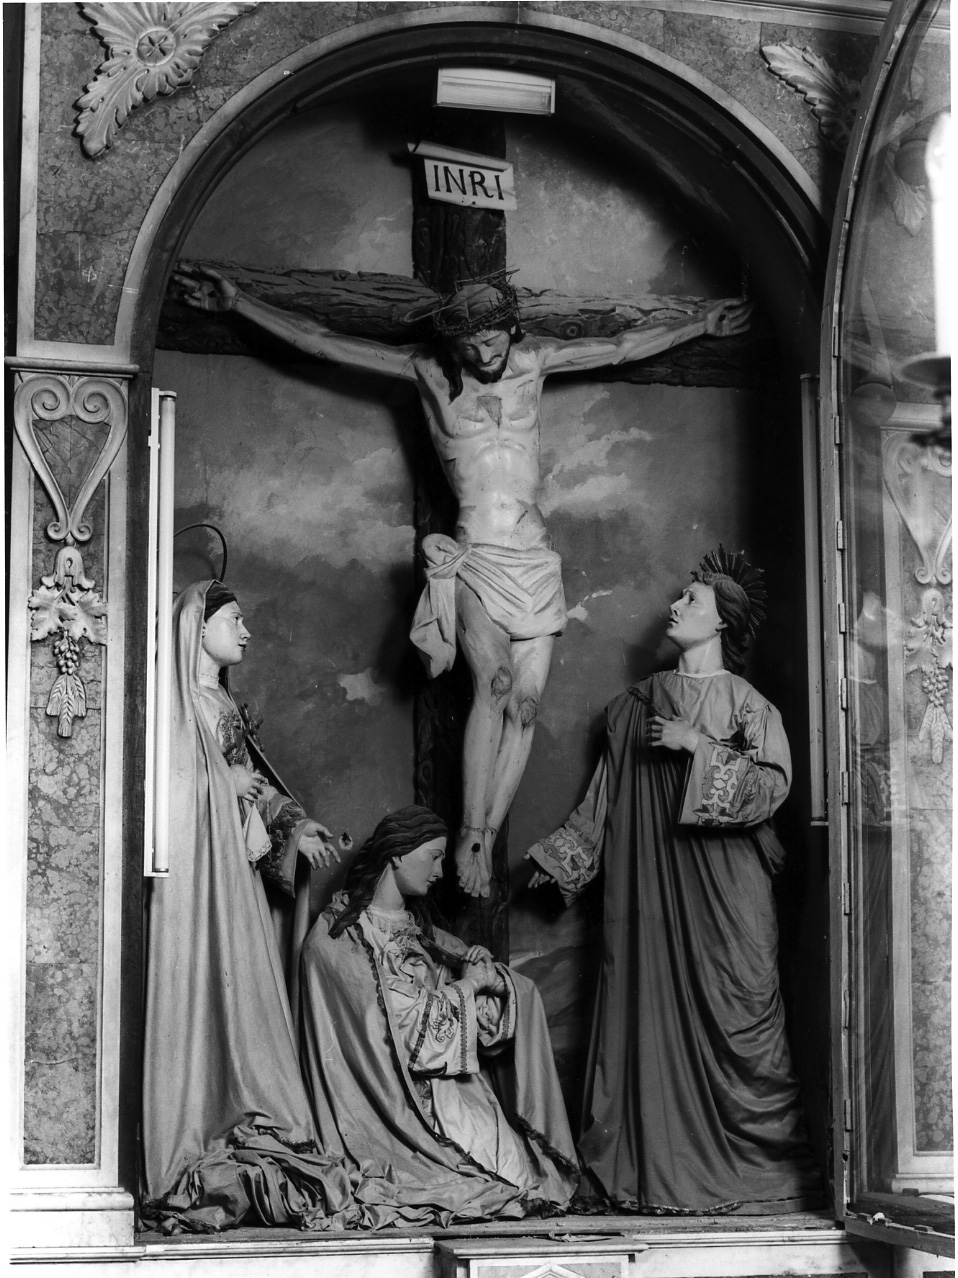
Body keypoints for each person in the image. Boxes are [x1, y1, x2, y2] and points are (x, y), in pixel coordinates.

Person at [176, 263, 751, 897]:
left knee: (526, 709)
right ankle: (467, 829)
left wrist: (701, 322)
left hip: (535, 559)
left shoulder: (535, 363)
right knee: (496, 684)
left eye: (493, 339)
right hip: (476, 556)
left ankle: (485, 835)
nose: (483, 354)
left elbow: (618, 347)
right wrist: (241, 303)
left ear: (511, 327)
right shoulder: (428, 374)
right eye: (469, 345)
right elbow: (324, 341)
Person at [526, 548, 822, 1214]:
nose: (675, 608)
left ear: (720, 623)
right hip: (652, 894)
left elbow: (772, 788)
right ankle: (657, 1171)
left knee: (747, 1011)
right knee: (647, 1013)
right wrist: (566, 858)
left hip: (730, 892)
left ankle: (759, 1171)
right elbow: (606, 795)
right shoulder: (636, 706)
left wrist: (698, 746)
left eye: (691, 601)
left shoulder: (750, 706)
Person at [142, 580, 362, 1233]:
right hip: (192, 884)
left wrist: (298, 827)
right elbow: (159, 789)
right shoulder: (171, 706)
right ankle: (204, 1112)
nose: (245, 633)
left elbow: (255, 785)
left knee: (247, 990)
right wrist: (221, 782)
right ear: (196, 625)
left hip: (232, 878)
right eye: (234, 620)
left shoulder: (224, 706)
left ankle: (252, 1105)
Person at [299, 805, 579, 1227]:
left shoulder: (424, 932)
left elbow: (478, 1014)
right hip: (394, 1101)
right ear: (397, 855)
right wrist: (468, 987)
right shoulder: (340, 938)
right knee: (489, 1179)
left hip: (455, 1089)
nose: (441, 872)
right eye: (433, 856)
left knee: (519, 1174)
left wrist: (493, 983)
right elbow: (398, 1028)